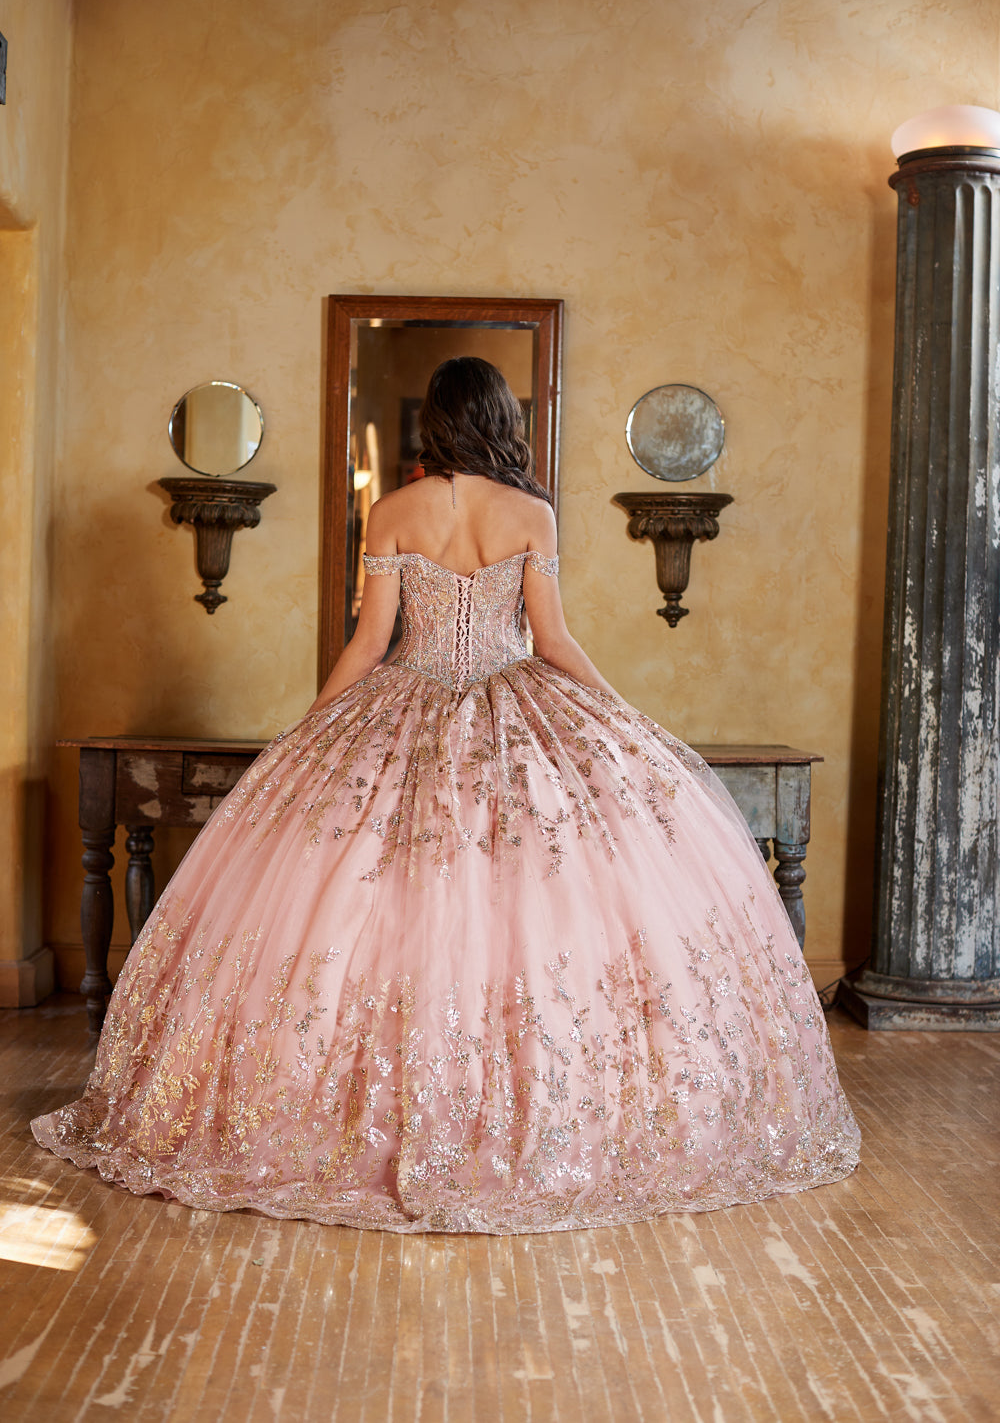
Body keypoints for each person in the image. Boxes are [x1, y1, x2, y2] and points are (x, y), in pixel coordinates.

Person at [33, 357, 859, 1233]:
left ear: (435, 421)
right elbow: (552, 640)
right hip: (516, 705)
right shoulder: (530, 513)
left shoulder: (393, 512)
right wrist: (619, 713)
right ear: (502, 418)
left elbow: (369, 646)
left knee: (375, 904)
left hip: (403, 700)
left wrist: (307, 732)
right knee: (531, 896)